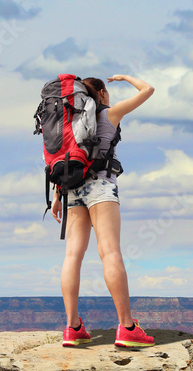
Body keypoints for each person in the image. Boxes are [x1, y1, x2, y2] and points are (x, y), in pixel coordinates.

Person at [52, 74, 155, 348]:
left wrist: (56, 196)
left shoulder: (67, 123)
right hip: (100, 187)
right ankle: (127, 327)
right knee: (109, 252)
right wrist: (124, 78)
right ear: (101, 93)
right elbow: (149, 90)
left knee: (72, 256)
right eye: (106, 90)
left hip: (70, 189)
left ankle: (72, 328)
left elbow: (64, 157)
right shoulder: (109, 114)